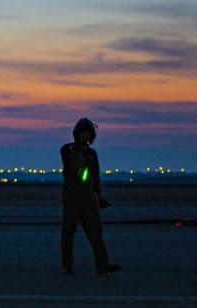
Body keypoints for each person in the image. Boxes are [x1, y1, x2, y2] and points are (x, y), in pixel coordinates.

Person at [60, 118, 120, 275]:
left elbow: (95, 177)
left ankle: (102, 264)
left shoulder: (92, 155)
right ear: (77, 133)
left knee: (95, 232)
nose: (85, 135)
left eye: (87, 132)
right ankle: (67, 264)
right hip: (71, 197)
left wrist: (99, 196)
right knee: (68, 231)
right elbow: (65, 154)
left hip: (88, 198)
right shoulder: (68, 150)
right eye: (82, 132)